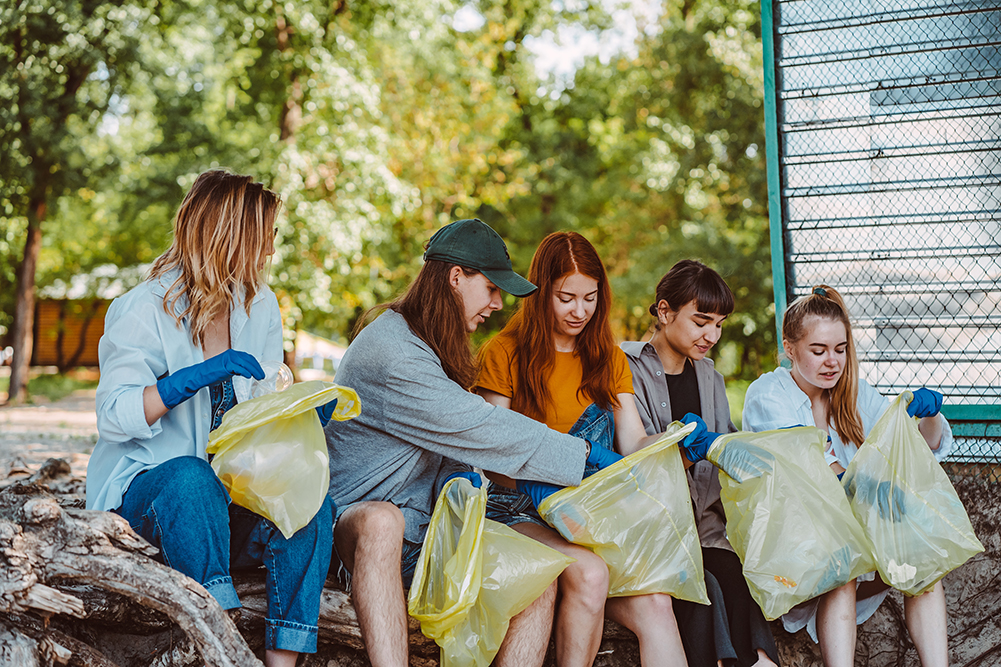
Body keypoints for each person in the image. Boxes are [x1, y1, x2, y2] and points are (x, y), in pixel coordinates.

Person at [323, 219, 623, 667]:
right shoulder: (394, 352)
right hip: (359, 531)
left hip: (425, 532)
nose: (499, 304)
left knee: (536, 574)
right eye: (492, 288)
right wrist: (582, 456)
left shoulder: (431, 343)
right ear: (456, 277)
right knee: (382, 521)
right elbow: (480, 427)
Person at [87, 170, 336, 667]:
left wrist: (295, 414)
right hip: (150, 506)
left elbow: (255, 420)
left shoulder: (259, 305)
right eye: (264, 237)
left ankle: (281, 661)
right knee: (190, 476)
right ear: (230, 236)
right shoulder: (141, 309)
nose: (270, 250)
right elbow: (113, 417)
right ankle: (220, 646)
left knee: (310, 506)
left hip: (226, 501)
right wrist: (186, 380)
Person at [477, 233, 722, 667]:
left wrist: (676, 440)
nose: (579, 311)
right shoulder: (503, 352)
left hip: (588, 512)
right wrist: (543, 474)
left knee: (659, 602)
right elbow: (492, 457)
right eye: (566, 298)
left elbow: (633, 445)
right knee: (590, 574)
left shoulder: (605, 356)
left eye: (589, 298)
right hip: (515, 504)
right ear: (539, 292)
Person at [742, 285, 953, 667]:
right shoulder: (768, 394)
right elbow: (817, 473)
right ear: (790, 349)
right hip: (793, 547)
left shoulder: (851, 393)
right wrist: (880, 491)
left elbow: (920, 449)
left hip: (851, 533)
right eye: (818, 351)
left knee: (924, 561)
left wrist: (930, 414)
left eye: (840, 350)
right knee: (843, 572)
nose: (832, 362)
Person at [621, 259, 780, 667]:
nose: (712, 335)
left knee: (738, 573)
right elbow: (630, 462)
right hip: (653, 528)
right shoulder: (625, 368)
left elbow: (724, 453)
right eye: (701, 321)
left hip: (706, 530)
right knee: (704, 586)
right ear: (664, 311)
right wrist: (682, 449)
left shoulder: (711, 377)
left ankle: (761, 662)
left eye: (720, 324)